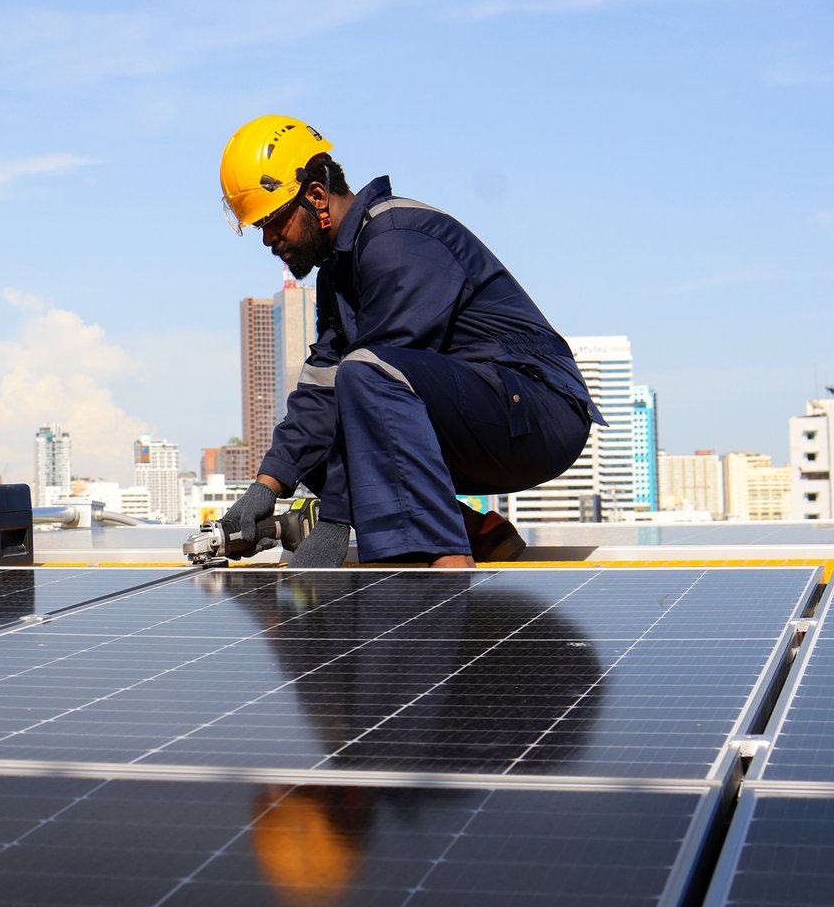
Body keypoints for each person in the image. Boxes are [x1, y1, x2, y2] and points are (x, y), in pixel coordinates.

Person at [216, 115, 596, 568]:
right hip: (480, 418)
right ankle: (479, 535)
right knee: (314, 448)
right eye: (259, 227)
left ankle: (445, 564)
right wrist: (268, 485)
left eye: (274, 220)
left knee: (365, 378)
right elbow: (321, 392)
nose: (268, 239)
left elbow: (375, 378)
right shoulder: (339, 273)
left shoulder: (397, 240)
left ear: (316, 195)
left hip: (538, 411)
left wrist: (336, 518)